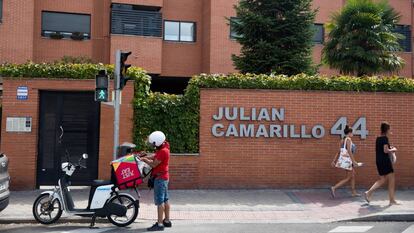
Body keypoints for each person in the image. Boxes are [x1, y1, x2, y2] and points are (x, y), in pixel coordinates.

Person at [141, 131, 172, 231]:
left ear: (157, 142)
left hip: (160, 179)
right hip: (164, 177)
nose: (152, 145)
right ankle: (166, 221)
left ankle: (159, 224)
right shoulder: (164, 146)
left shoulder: (163, 151)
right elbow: (155, 155)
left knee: (160, 201)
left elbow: (154, 164)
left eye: (153, 143)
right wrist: (145, 156)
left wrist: (145, 160)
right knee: (166, 199)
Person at [364, 122, 399, 205]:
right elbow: (385, 150)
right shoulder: (385, 138)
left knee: (382, 179)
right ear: (387, 130)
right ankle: (392, 200)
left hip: (378, 161)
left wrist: (390, 148)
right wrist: (393, 150)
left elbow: (382, 149)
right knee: (391, 179)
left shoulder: (378, 138)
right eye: (389, 129)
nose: (390, 130)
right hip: (384, 161)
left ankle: (368, 192)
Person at [330, 125, 360, 198]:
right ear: (349, 133)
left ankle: (353, 192)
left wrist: (334, 161)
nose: (353, 134)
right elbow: (349, 151)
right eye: (352, 132)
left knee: (353, 175)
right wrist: (354, 161)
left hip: (345, 161)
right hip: (348, 161)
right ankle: (334, 187)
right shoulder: (348, 139)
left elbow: (338, 152)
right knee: (348, 177)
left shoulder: (342, 140)